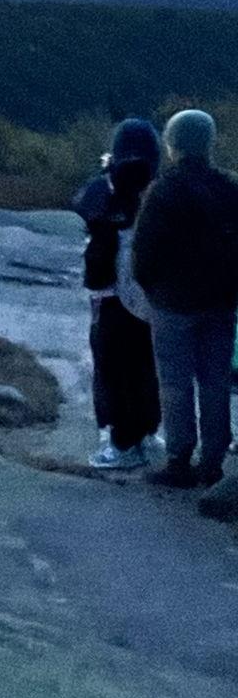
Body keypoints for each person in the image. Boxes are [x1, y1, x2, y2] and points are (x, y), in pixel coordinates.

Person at [130, 109, 238, 497]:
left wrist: (152, 291)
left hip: (173, 302)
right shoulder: (230, 188)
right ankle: (213, 463)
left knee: (174, 381)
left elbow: (143, 254)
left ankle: (178, 460)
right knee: (216, 381)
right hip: (221, 301)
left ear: (172, 145)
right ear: (209, 143)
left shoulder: (163, 190)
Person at [72, 119, 163, 470]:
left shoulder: (104, 189)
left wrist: (109, 173)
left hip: (108, 292)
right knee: (146, 365)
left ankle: (121, 442)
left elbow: (83, 206)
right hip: (150, 293)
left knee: (110, 367)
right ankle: (146, 432)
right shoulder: (157, 189)